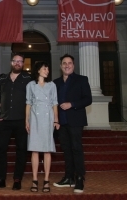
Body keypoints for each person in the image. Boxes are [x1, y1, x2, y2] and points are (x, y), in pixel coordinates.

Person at [0, 53, 31, 190]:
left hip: (21, 121)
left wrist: (29, 119)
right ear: (11, 63)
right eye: (15, 61)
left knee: (21, 150)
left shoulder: (28, 80)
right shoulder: (3, 79)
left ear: (23, 64)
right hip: (4, 121)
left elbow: (32, 100)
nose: (17, 63)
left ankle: (17, 179)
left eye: (20, 61)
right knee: (0, 149)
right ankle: (1, 179)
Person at [53, 54, 92, 193]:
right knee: (66, 150)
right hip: (61, 122)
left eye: (69, 63)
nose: (67, 65)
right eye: (64, 63)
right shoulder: (55, 83)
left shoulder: (81, 80)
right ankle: (69, 177)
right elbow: (53, 103)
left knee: (76, 149)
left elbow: (88, 99)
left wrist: (72, 104)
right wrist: (55, 119)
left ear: (73, 65)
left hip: (76, 120)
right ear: (61, 66)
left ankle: (80, 178)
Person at [25, 61, 60, 193]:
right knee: (34, 150)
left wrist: (56, 120)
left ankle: (46, 180)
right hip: (34, 117)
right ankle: (34, 179)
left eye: (48, 69)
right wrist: (26, 121)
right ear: (38, 70)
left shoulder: (52, 85)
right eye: (45, 68)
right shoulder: (30, 85)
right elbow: (28, 103)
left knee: (47, 150)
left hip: (48, 117)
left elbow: (55, 103)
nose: (47, 71)